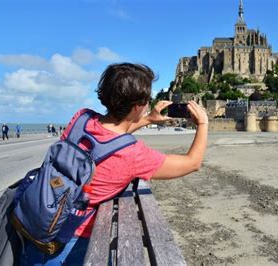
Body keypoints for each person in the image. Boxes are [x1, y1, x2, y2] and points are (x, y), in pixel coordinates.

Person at [19, 63, 208, 265]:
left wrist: (147, 119)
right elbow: (192, 163)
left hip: (34, 220)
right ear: (138, 106)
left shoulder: (81, 118)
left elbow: (108, 135)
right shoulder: (132, 154)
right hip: (70, 242)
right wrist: (203, 124)